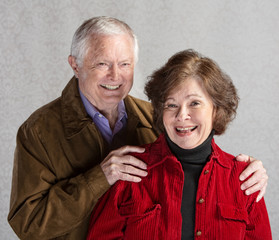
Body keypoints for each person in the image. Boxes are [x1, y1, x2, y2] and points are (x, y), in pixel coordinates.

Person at [8, 17, 268, 240]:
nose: (115, 75)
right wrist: (99, 177)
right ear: (75, 65)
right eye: (102, 63)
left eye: (125, 64)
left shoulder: (154, 116)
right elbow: (27, 224)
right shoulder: (39, 131)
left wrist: (249, 169)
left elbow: (193, 149)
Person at [86, 49, 272, 240]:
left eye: (195, 103)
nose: (182, 115)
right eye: (171, 105)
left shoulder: (245, 179)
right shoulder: (128, 171)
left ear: (216, 110)